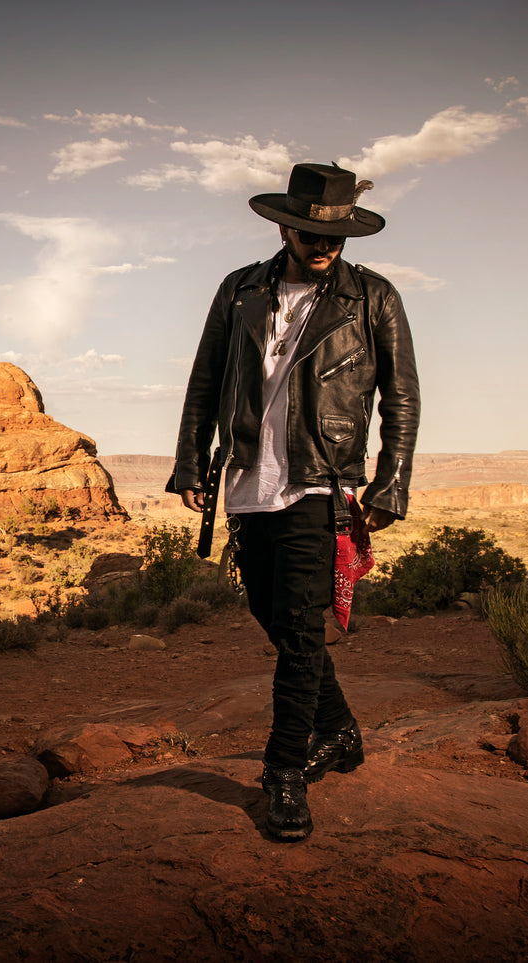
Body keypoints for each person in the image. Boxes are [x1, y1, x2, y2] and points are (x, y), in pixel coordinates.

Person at [167, 162, 420, 841]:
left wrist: (389, 480)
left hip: (322, 477)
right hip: (250, 478)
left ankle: (282, 772)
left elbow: (399, 395)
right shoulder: (240, 290)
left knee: (301, 628)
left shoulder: (371, 298)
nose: (322, 246)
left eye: (334, 236)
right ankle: (338, 730)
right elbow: (205, 381)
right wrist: (192, 460)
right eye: (310, 233)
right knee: (273, 617)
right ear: (285, 227)